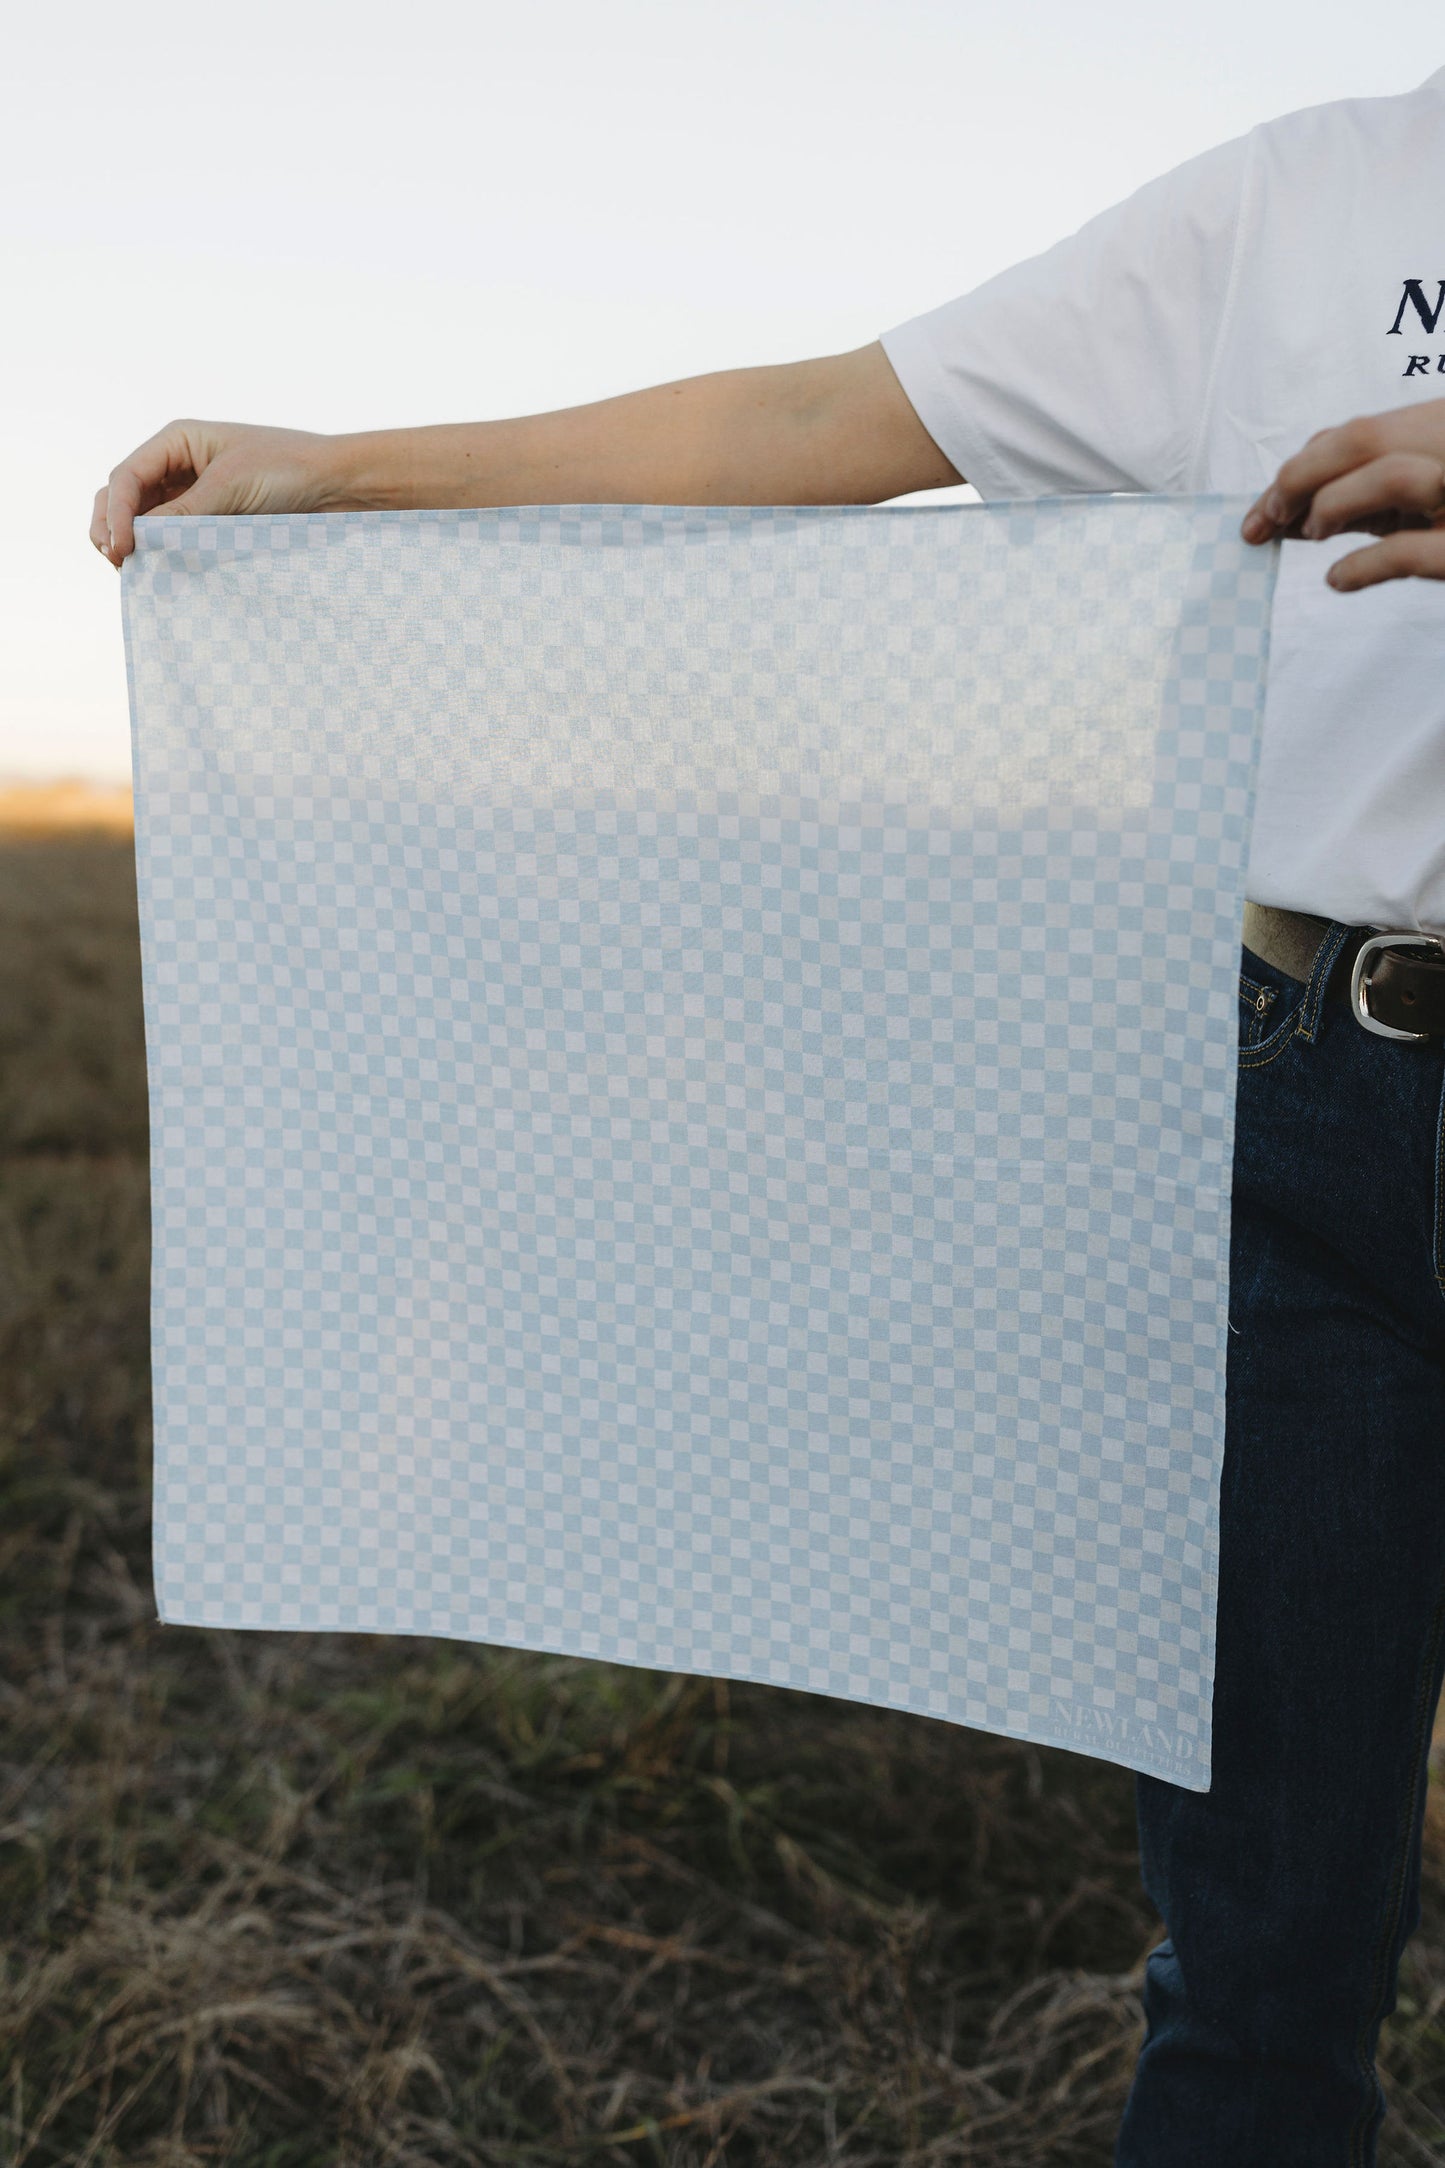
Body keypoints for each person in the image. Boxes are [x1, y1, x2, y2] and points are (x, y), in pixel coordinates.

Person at [91, 62, 1445, 2168]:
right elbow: (828, 423)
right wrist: (342, 473)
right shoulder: (1310, 194)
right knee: (1263, 1975)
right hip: (1299, 1131)